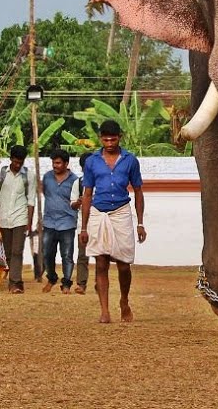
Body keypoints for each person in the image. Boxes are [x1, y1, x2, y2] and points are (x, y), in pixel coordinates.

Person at [79, 120, 147, 323]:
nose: (109, 143)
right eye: (106, 139)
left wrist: (140, 223)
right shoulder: (92, 161)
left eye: (113, 139)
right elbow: (87, 194)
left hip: (121, 212)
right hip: (98, 213)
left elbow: (138, 191)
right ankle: (104, 310)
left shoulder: (130, 160)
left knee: (124, 264)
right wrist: (83, 227)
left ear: (120, 137)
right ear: (101, 138)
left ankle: (124, 301)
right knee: (100, 262)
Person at [0, 145, 36, 294]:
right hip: (3, 218)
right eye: (15, 162)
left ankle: (14, 283)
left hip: (20, 218)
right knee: (8, 252)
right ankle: (17, 282)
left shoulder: (29, 176)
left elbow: (31, 200)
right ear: (10, 159)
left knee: (17, 251)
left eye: (20, 163)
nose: (17, 165)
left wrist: (29, 222)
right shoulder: (0, 173)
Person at [39, 149, 81, 294]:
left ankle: (67, 283)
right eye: (53, 163)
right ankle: (51, 278)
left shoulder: (75, 180)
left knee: (67, 255)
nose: (55, 165)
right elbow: (45, 193)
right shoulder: (47, 177)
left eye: (58, 163)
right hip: (49, 222)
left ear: (66, 163)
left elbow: (76, 200)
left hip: (67, 223)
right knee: (46, 254)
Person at [73, 151, 93, 295]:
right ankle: (81, 284)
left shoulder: (102, 181)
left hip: (100, 223)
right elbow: (72, 204)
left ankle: (100, 283)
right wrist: (79, 202)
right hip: (83, 225)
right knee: (82, 255)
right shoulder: (78, 183)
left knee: (102, 256)